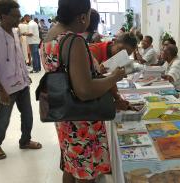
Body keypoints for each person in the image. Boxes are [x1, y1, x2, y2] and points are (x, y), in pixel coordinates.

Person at [41, 0, 125, 182]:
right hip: (82, 121)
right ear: (82, 17)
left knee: (70, 164)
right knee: (86, 172)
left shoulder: (49, 37)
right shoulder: (74, 41)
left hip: (64, 114)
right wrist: (114, 77)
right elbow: (84, 90)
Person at [0, 0, 42, 160]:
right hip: (6, 88)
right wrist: (1, 91)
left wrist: (25, 74)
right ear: (3, 16)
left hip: (22, 83)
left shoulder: (15, 32)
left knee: (28, 115)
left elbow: (18, 57)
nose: (19, 19)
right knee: (3, 118)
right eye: (15, 16)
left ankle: (25, 141)